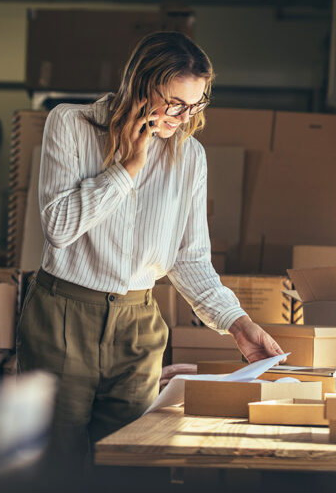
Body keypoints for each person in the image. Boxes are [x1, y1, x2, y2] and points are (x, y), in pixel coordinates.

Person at [16, 31, 284, 471]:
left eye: (195, 105)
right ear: (141, 84)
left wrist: (238, 324)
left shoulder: (190, 157)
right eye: (175, 102)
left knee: (131, 465)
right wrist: (127, 169)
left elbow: (189, 258)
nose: (183, 116)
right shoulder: (70, 123)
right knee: (54, 466)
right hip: (62, 316)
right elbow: (59, 228)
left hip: (138, 327)